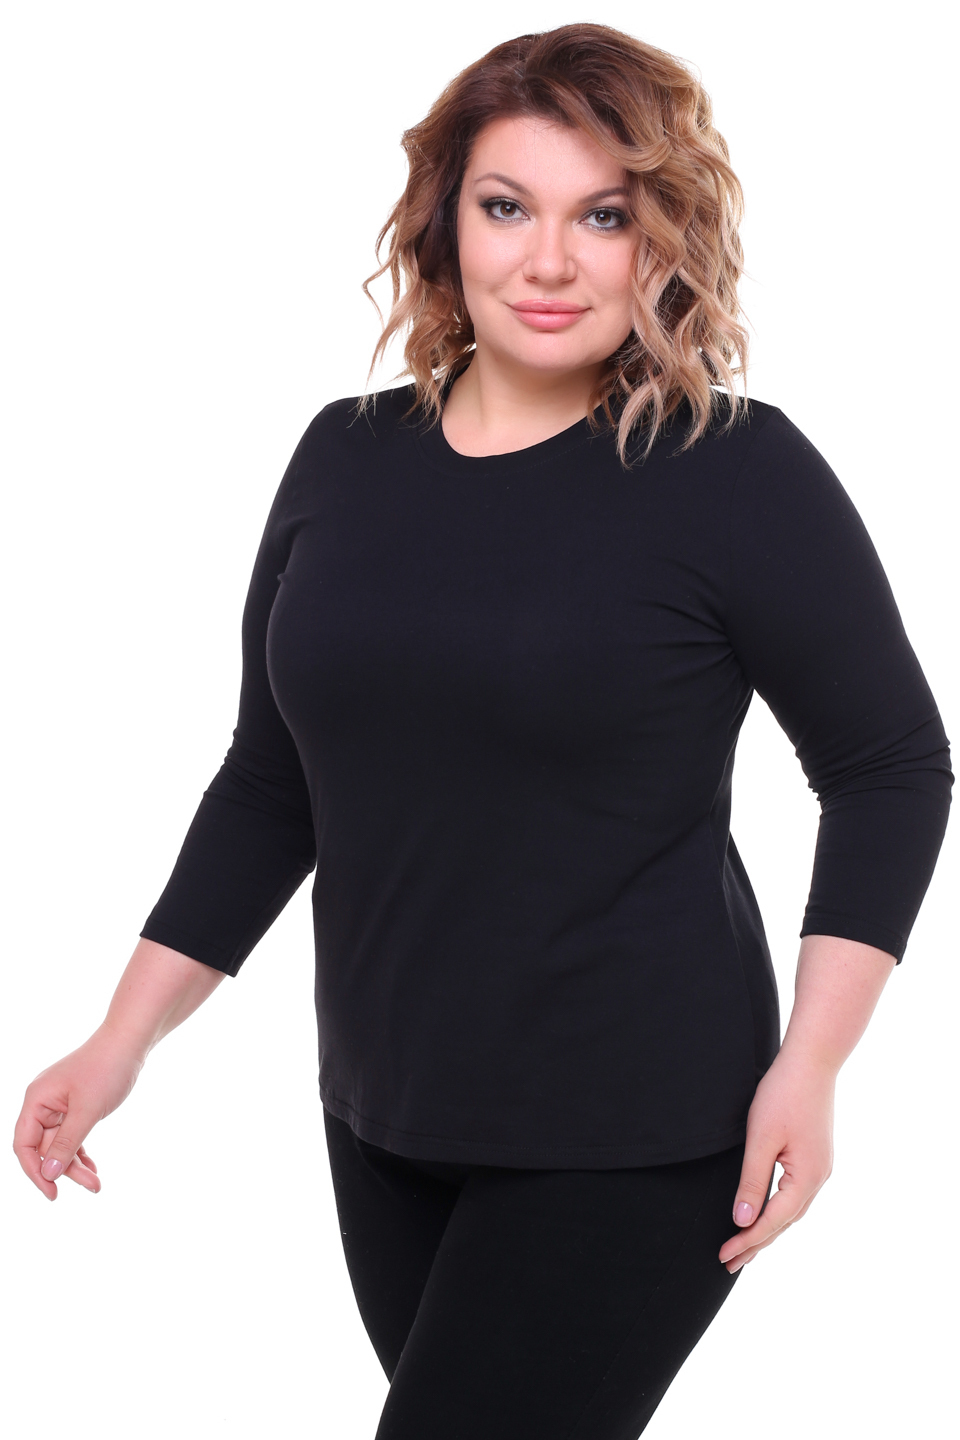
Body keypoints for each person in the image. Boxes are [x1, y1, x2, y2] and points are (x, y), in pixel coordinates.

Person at [14, 22, 952, 1439]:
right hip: (383, 1116)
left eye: (604, 216)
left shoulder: (735, 472)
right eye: (508, 207)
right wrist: (120, 1040)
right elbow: (271, 782)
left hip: (635, 1127)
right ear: (445, 225)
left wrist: (811, 1066)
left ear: (662, 240)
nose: (550, 260)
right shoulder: (344, 456)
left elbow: (889, 768)